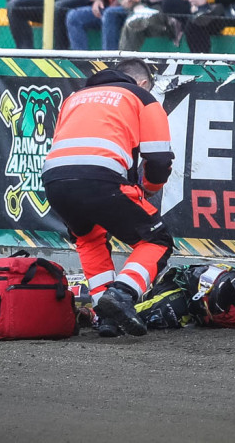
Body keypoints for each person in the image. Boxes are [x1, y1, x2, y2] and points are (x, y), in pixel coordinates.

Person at [42, 59, 175, 337]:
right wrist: (149, 188)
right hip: (102, 176)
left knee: (89, 239)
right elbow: (159, 159)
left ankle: (106, 316)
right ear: (142, 83)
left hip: (55, 179)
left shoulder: (75, 98)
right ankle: (122, 294)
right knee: (157, 240)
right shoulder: (142, 97)